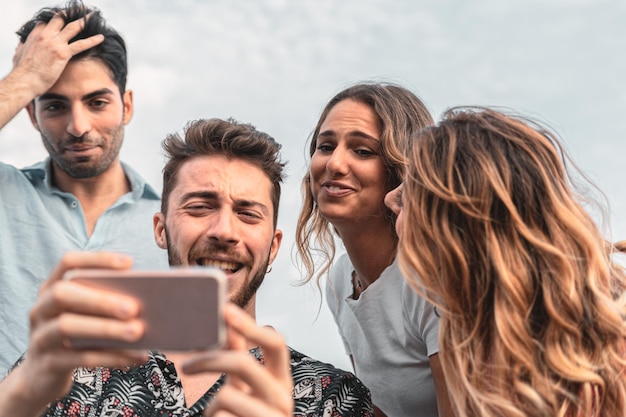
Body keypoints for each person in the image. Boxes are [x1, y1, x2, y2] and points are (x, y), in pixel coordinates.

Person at [0, 117, 373, 417]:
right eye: (199, 207)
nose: (225, 231)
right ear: (161, 229)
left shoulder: (332, 400)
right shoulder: (67, 368)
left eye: (247, 213)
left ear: (273, 247)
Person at [385, 107, 626, 417]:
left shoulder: (612, 341)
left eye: (410, 192)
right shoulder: (471, 337)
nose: (390, 199)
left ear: (460, 220)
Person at [0, 0, 168, 375]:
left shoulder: (173, 224)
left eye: (96, 102)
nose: (78, 126)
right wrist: (23, 80)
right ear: (31, 113)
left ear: (126, 106)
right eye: (55, 106)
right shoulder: (5, 194)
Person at [296, 82, 452, 416]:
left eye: (363, 151)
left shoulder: (431, 279)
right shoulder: (340, 282)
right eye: (325, 146)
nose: (334, 164)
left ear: (401, 170)